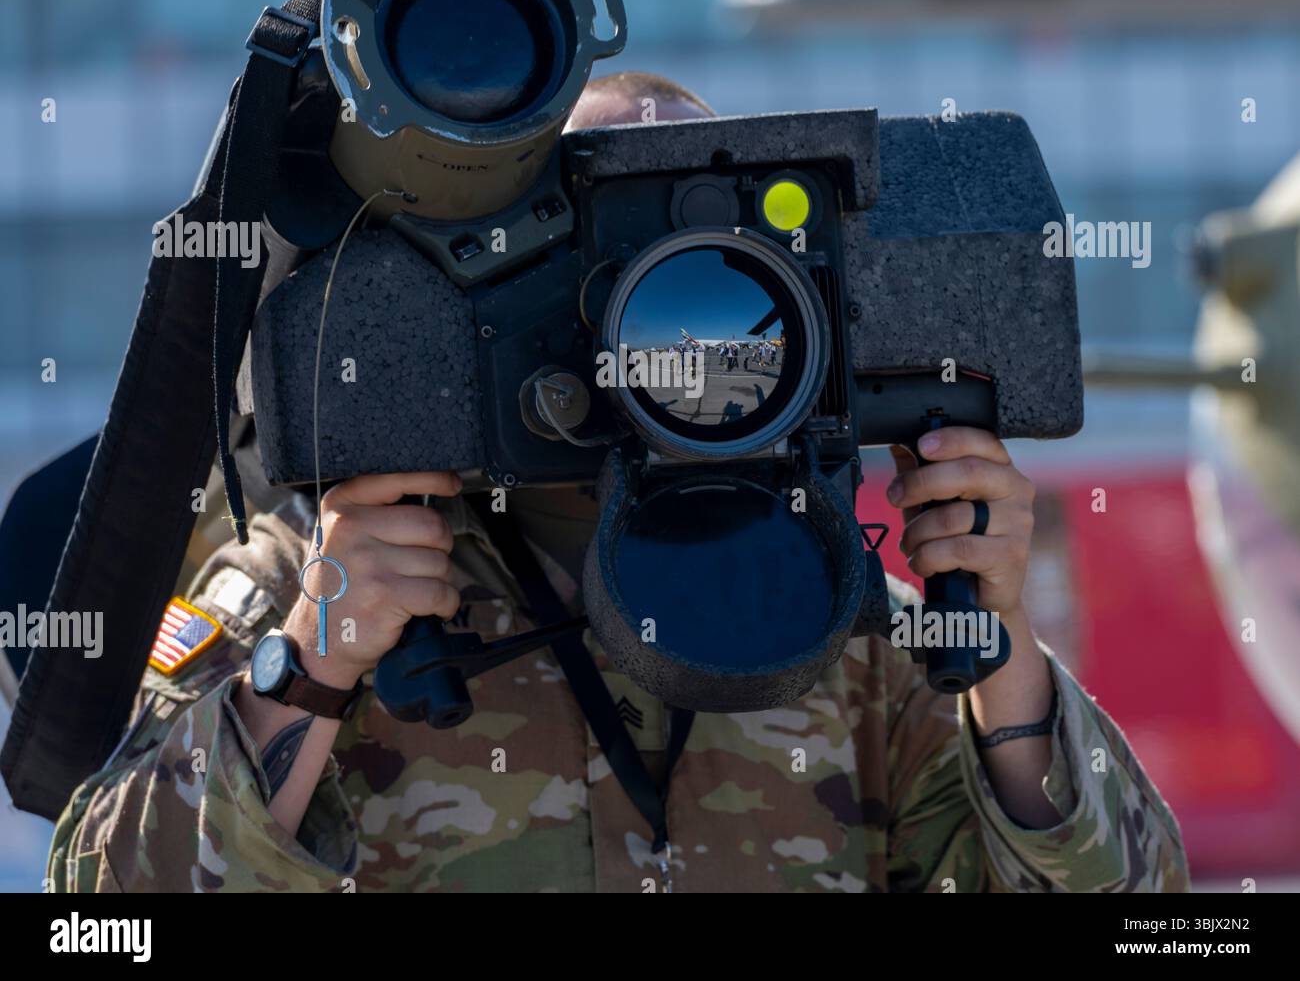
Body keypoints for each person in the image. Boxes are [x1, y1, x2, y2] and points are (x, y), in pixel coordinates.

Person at [46, 73, 1188, 893]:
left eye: (709, 279)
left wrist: (1000, 653)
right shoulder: (325, 575)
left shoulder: (858, 628)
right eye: (606, 249)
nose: (674, 333)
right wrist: (315, 664)